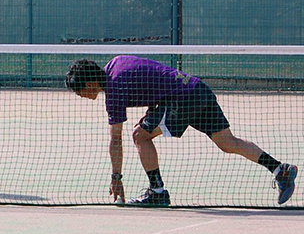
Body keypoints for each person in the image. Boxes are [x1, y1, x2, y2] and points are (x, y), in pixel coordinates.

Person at [66, 56, 297, 206]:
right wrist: (152, 110)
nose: (82, 97)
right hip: (197, 89)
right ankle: (280, 169)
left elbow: (115, 139)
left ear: (89, 85)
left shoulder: (113, 91)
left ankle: (157, 192)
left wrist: (116, 178)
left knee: (139, 135)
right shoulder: (117, 63)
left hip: (182, 100)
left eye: (80, 93)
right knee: (227, 142)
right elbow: (151, 76)